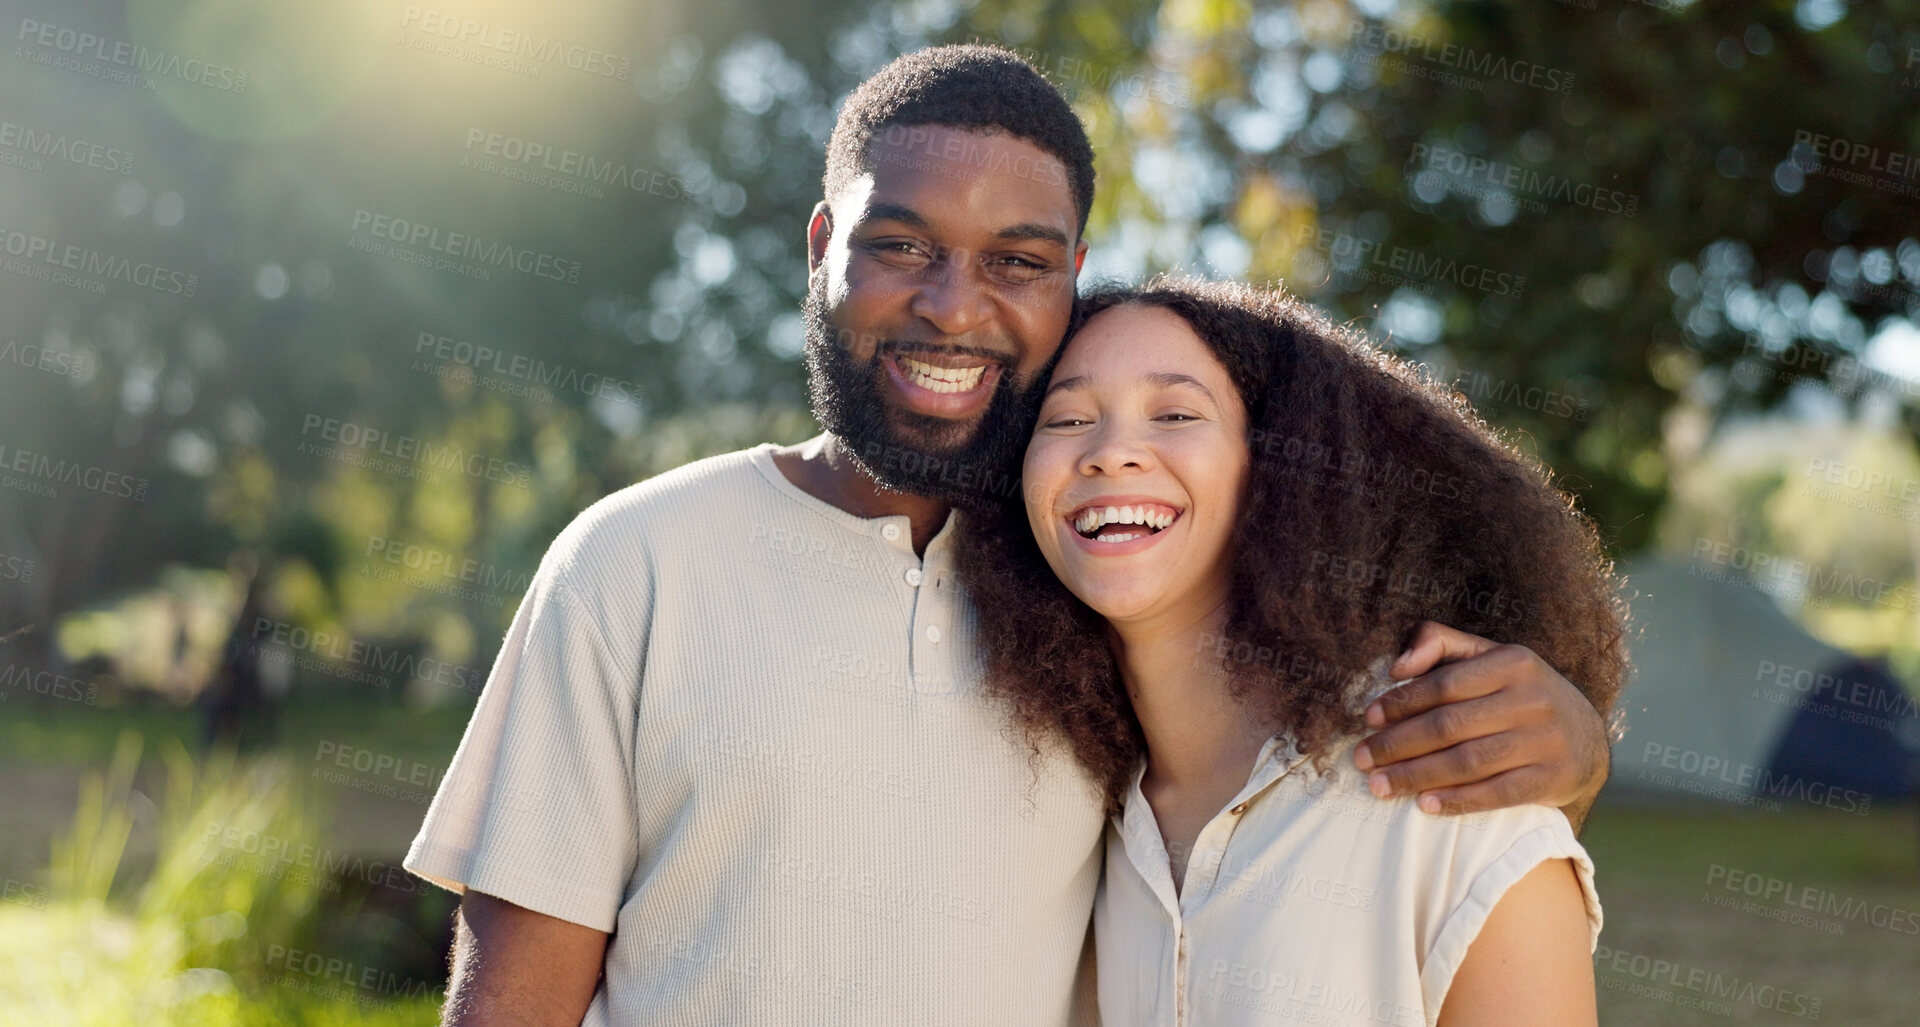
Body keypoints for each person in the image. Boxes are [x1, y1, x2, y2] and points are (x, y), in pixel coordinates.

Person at [402, 46, 1614, 1026]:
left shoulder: (1095, 592)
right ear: (824, 249)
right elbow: (513, 999)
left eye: (1014, 262)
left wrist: (1572, 747)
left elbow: (1298, 754)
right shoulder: (632, 562)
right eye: (901, 246)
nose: (949, 303)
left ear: (1069, 280)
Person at [958, 276, 1628, 1025]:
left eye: (1176, 412)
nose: (1111, 452)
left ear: (1278, 469)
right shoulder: (1081, 820)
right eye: (1067, 418)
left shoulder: (1449, 776)